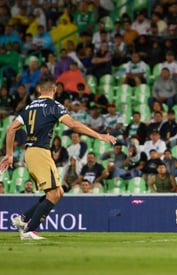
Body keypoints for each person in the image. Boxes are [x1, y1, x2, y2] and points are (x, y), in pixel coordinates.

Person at [0, 74, 115, 240]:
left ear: (40, 89)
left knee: (58, 192)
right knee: (54, 194)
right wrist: (99, 136)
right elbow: (74, 125)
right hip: (40, 152)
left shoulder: (29, 107)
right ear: (54, 89)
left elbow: (11, 129)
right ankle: (28, 231)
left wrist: (9, 154)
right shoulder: (53, 106)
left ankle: (22, 219)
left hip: (31, 153)